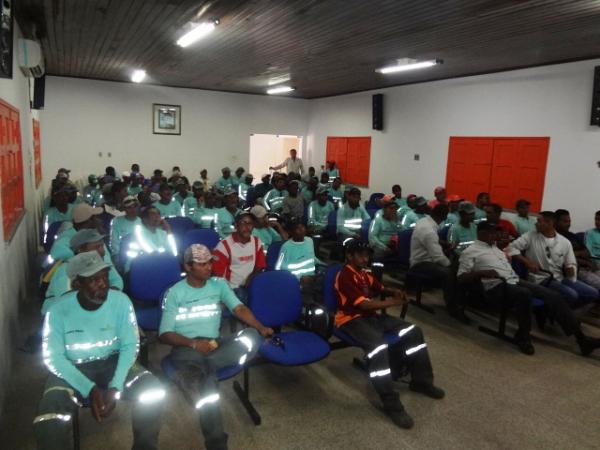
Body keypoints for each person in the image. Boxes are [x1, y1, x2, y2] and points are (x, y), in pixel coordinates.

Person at [34, 251, 165, 450]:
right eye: (94, 280)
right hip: (71, 369)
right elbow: (54, 358)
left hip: (113, 363)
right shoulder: (58, 311)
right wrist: (89, 388)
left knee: (153, 391)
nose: (103, 284)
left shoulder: (121, 302)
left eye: (104, 277)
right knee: (49, 415)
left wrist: (115, 386)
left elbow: (130, 346)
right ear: (77, 284)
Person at [159, 244, 272, 450]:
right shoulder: (175, 293)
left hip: (214, 344)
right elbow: (164, 334)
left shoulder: (219, 285)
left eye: (210, 262)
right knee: (208, 383)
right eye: (202, 264)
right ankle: (216, 443)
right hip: (186, 347)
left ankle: (199, 371)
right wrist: (194, 343)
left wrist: (261, 327)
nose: (209, 267)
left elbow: (239, 308)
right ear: (188, 266)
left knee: (250, 336)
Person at [335, 239, 444, 429]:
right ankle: (391, 403)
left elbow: (379, 288)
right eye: (359, 255)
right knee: (378, 346)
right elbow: (364, 304)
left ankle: (421, 381)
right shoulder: (345, 275)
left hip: (370, 317)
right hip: (350, 320)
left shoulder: (364, 274)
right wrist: (393, 303)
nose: (364, 258)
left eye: (366, 254)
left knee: (413, 332)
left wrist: (393, 290)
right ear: (349, 256)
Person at [458, 221, 600, 356]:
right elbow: (461, 277)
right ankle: (523, 336)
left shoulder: (495, 248)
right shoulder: (470, 251)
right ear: (482, 234)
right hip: (495, 286)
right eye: (492, 233)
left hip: (515, 281)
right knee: (523, 294)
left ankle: (582, 340)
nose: (496, 235)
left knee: (553, 295)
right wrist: (482, 272)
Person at [507, 212, 598, 305]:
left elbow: (571, 263)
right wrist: (527, 262)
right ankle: (561, 312)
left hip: (560, 276)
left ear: (549, 223)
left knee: (592, 293)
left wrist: (571, 269)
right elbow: (511, 248)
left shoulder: (564, 242)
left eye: (539, 221)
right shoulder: (530, 236)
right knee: (571, 294)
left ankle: (562, 311)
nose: (535, 223)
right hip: (541, 278)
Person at [44, 229, 124, 313]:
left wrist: (107, 293)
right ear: (80, 249)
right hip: (58, 312)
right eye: (97, 247)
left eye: (102, 246)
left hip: (90, 307)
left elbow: (117, 281)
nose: (103, 251)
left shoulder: (101, 262)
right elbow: (67, 301)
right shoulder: (66, 270)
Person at [410, 204, 462, 318]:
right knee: (450, 273)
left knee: (456, 267)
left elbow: (432, 241)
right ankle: (452, 307)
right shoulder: (429, 230)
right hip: (420, 263)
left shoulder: (424, 221)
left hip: (425, 258)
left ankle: (457, 300)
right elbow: (438, 257)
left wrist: (443, 244)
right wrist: (450, 265)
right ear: (444, 217)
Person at [212, 212, 267, 303]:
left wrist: (250, 279)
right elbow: (218, 276)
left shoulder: (257, 242)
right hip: (232, 288)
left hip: (251, 284)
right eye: (243, 223)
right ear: (236, 226)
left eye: (250, 223)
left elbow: (260, 266)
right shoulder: (224, 246)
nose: (247, 227)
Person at [555, 210, 600, 314]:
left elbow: (586, 252)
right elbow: (564, 256)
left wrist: (578, 254)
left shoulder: (572, 235)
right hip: (578, 268)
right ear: (556, 222)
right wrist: (581, 257)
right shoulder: (555, 237)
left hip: (589, 265)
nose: (569, 224)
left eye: (569, 221)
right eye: (565, 221)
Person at [275, 219, 324, 303]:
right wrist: (299, 278)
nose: (301, 230)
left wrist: (325, 265)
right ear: (291, 232)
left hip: (313, 277)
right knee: (309, 297)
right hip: (298, 281)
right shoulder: (286, 247)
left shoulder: (309, 240)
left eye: (303, 227)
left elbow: (312, 258)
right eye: (297, 228)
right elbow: (278, 268)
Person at [123, 206, 177, 272]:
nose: (157, 216)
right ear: (144, 219)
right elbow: (153, 253)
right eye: (153, 214)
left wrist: (169, 231)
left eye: (158, 214)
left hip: (156, 265)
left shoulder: (162, 233)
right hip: (135, 269)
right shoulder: (138, 233)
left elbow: (173, 253)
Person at [368, 196, 402, 280]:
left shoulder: (396, 221)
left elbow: (402, 232)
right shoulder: (377, 221)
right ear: (384, 209)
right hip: (380, 245)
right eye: (391, 208)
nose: (393, 211)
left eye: (395, 209)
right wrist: (384, 247)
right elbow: (372, 238)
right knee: (378, 256)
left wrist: (397, 223)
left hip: (393, 245)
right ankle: (376, 279)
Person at [109, 195, 142, 260]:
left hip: (139, 257)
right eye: (129, 207)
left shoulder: (141, 221)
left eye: (135, 206)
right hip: (122, 256)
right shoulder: (116, 221)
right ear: (124, 209)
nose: (133, 210)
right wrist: (116, 257)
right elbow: (114, 242)